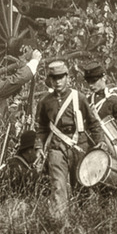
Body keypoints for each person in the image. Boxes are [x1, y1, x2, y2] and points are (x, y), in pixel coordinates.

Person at [35, 60, 103, 219]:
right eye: (54, 78)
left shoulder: (78, 97)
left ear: (67, 77)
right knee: (58, 186)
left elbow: (93, 122)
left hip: (79, 146)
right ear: (50, 80)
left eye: (61, 77)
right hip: (57, 147)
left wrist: (100, 141)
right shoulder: (45, 102)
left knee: (81, 186)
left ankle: (84, 219)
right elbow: (41, 128)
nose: (58, 81)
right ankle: (60, 222)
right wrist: (39, 147)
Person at [82, 61, 117, 134]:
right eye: (88, 82)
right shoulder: (88, 100)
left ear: (104, 78)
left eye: (94, 81)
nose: (91, 85)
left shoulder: (114, 100)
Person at [4, 130, 43, 197]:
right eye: (37, 150)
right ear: (30, 151)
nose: (40, 155)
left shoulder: (17, 163)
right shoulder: (16, 167)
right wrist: (40, 172)